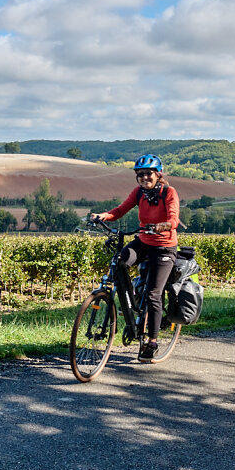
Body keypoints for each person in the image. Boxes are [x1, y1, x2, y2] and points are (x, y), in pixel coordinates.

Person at [91, 154, 180, 362]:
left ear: (158, 174)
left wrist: (164, 225)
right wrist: (104, 216)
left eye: (148, 173)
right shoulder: (139, 193)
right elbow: (121, 210)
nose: (144, 178)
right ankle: (131, 297)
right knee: (120, 261)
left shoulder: (169, 192)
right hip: (144, 242)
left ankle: (152, 341)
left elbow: (173, 218)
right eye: (140, 175)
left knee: (154, 294)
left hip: (164, 247)